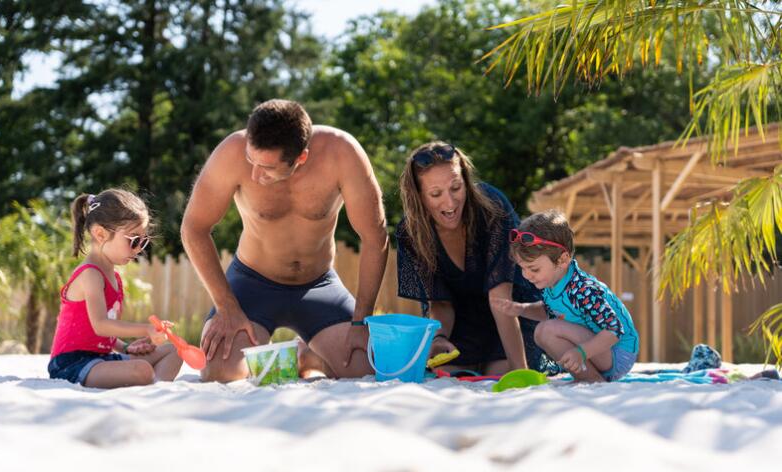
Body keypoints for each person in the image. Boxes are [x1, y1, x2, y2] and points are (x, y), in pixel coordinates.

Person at [181, 99, 388, 382]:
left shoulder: (342, 152)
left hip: (319, 286)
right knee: (220, 373)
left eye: (265, 167)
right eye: (251, 160)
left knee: (366, 368)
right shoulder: (231, 152)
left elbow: (375, 236)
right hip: (251, 284)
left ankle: (309, 355)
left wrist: (361, 321)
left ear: (300, 157)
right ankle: (294, 354)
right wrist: (226, 306)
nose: (254, 173)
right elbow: (194, 227)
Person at [396, 141, 556, 376]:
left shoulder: (492, 208)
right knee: (450, 373)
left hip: (511, 312)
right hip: (460, 322)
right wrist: (439, 339)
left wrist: (519, 371)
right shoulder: (411, 234)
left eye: (456, 187)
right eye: (435, 194)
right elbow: (440, 303)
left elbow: (500, 297)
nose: (450, 203)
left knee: (501, 372)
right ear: (418, 196)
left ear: (466, 182)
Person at [48, 189, 183, 388]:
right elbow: (100, 325)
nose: (139, 249)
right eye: (134, 241)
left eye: (143, 241)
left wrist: (126, 348)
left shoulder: (115, 278)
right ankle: (149, 383)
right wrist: (144, 329)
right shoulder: (91, 274)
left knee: (174, 350)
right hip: (72, 363)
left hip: (101, 358)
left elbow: (101, 335)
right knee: (142, 370)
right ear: (100, 234)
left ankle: (155, 389)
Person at [493, 210, 640, 382]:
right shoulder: (553, 284)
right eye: (522, 268)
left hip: (618, 352)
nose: (526, 275)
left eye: (533, 269)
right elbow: (548, 311)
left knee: (547, 329)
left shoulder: (583, 290)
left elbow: (614, 330)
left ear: (562, 260)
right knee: (543, 332)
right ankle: (589, 378)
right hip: (599, 351)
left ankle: (592, 380)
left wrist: (582, 352)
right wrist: (520, 309)